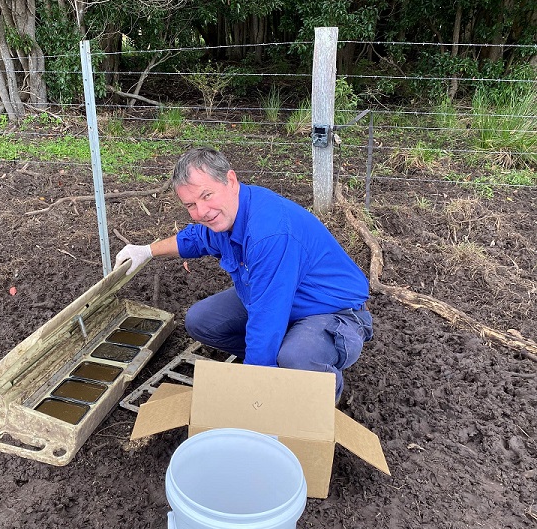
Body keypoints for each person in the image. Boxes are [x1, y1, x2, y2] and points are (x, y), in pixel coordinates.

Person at [115, 147, 373, 401]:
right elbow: (195, 239)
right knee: (201, 320)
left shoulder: (269, 234)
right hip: (283, 301)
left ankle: (320, 391)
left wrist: (253, 390)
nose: (201, 212)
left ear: (230, 180)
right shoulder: (228, 215)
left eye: (207, 195)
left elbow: (266, 316)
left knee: (296, 356)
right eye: (191, 205)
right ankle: (284, 354)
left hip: (331, 311)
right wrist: (147, 251)